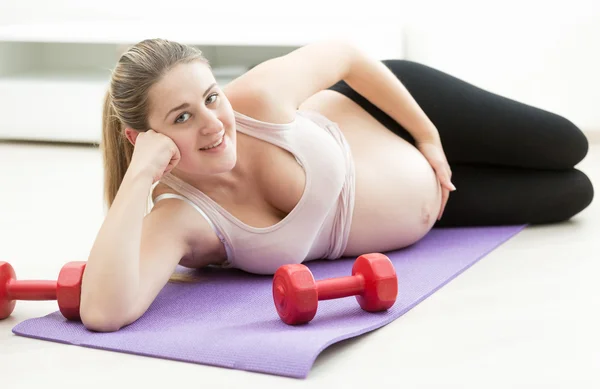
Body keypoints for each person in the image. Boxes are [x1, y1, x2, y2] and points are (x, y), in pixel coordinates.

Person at [81, 38, 593, 332]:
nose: (213, 123)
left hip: (404, 116)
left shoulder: (257, 97)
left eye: (211, 97)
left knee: (566, 146)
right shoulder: (181, 217)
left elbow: (348, 57)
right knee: (574, 193)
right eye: (183, 116)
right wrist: (139, 175)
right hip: (442, 207)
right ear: (142, 137)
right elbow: (104, 312)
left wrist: (429, 137)